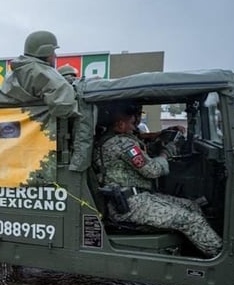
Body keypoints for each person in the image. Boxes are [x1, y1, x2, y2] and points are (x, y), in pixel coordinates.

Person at [94, 102, 222, 258]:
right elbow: (152, 171)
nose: (135, 127)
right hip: (130, 205)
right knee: (192, 220)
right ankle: (221, 257)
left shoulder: (117, 139)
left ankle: (196, 251)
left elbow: (142, 142)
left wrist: (162, 138)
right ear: (120, 124)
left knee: (191, 206)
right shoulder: (122, 143)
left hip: (136, 197)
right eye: (132, 123)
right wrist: (164, 155)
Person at [0, 31, 79, 118]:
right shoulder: (43, 71)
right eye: (53, 51)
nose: (55, 55)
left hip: (12, 125)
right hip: (42, 128)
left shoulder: (13, 72)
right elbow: (64, 106)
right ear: (46, 51)